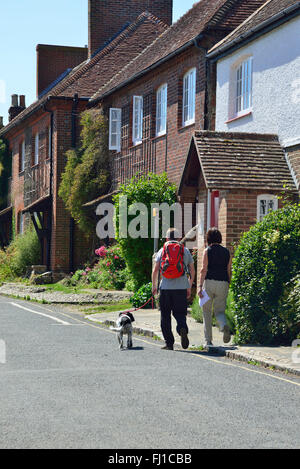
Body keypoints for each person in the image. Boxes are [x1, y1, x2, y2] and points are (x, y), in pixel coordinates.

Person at [152, 228, 195, 351]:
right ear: (178, 238)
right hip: (181, 287)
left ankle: (169, 343)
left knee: (165, 315)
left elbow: (155, 270)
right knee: (180, 313)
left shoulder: (162, 250)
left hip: (165, 288)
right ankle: (182, 328)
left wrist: (154, 286)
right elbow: (192, 270)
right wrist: (189, 285)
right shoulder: (185, 250)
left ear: (166, 238)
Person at [198, 228, 232, 347]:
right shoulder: (227, 252)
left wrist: (199, 286)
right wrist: (229, 283)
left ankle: (208, 341)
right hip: (223, 283)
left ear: (208, 238)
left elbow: (203, 270)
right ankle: (223, 326)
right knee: (220, 311)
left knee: (206, 311)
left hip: (209, 282)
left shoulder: (207, 251)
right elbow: (228, 270)